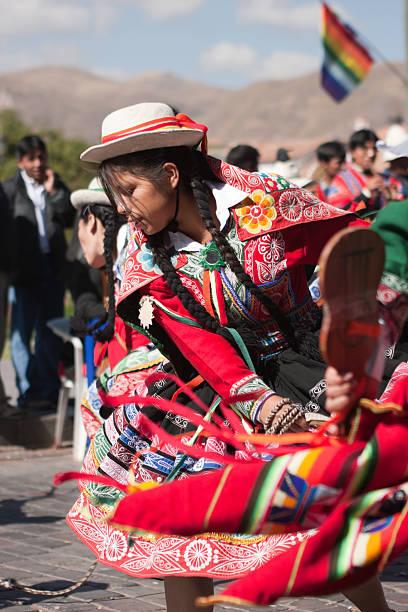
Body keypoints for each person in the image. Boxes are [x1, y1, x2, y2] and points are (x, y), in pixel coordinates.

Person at [65, 102, 370, 611]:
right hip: (206, 388)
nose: (121, 210)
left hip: (300, 367)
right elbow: (195, 343)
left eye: (129, 191)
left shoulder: (265, 205)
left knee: (326, 524)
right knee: (177, 536)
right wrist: (260, 404)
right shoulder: (142, 256)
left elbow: (352, 250)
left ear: (169, 174)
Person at [2, 135, 74, 410]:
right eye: (31, 158)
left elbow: (69, 217)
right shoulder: (9, 191)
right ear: (20, 161)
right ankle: (27, 391)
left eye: (41, 157)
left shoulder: (55, 187)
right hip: (23, 270)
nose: (38, 163)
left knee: (50, 331)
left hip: (53, 268)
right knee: (21, 332)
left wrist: (54, 192)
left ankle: (47, 390)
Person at [327, 129, 399, 214]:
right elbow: (339, 214)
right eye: (364, 148)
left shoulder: (382, 177)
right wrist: (366, 193)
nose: (371, 153)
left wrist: (391, 198)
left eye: (374, 148)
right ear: (352, 152)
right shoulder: (341, 181)